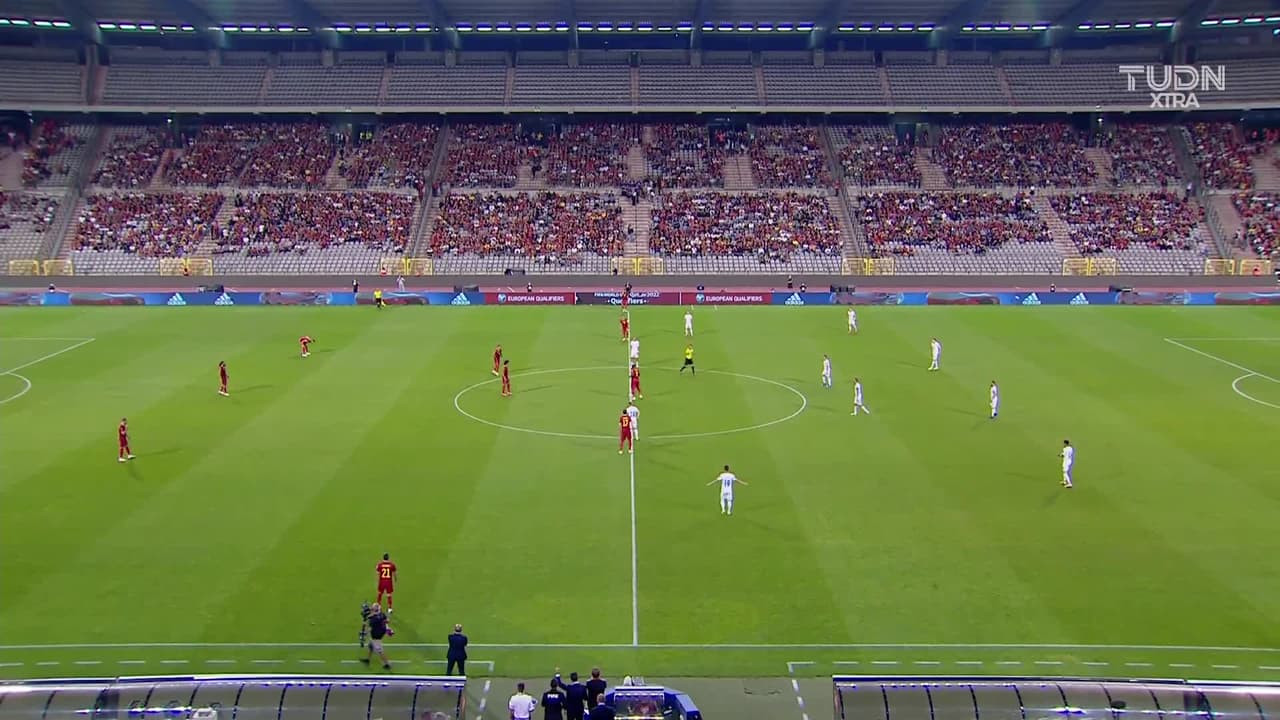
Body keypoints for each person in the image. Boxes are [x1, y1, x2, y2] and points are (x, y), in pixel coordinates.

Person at [361, 603, 391, 670]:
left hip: (376, 635)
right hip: (381, 632)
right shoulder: (382, 614)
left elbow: (369, 628)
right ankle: (367, 660)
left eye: (373, 608)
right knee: (370, 646)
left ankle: (387, 664)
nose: (371, 608)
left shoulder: (373, 619)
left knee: (380, 651)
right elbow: (386, 620)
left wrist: (364, 633)